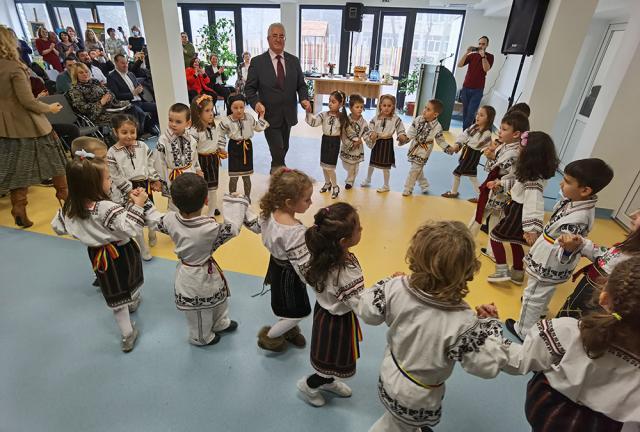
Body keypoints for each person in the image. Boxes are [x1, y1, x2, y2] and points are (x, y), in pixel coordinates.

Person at [349, 220, 511, 432]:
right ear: (467, 269)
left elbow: (368, 312)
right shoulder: (462, 320)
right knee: (394, 426)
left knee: (397, 421)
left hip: (392, 372)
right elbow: (486, 365)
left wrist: (389, 282)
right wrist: (490, 326)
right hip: (418, 396)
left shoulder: (397, 287)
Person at [501, 256, 640, 431]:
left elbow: (519, 360)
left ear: (604, 297)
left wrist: (488, 334)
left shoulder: (567, 332)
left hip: (549, 412)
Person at [504, 158, 614, 341]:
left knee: (532, 294)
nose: (561, 183)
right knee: (544, 291)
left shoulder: (579, 217)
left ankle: (523, 331)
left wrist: (568, 249)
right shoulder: (577, 201)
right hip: (549, 253)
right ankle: (540, 312)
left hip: (551, 258)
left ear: (585, 190)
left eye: (568, 181)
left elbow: (568, 245)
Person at [51, 154, 147, 353]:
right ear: (94, 184)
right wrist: (137, 205)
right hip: (122, 251)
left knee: (113, 289)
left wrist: (84, 233)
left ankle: (127, 334)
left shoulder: (70, 207)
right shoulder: (106, 207)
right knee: (130, 277)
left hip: (98, 256)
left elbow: (58, 227)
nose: (110, 181)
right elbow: (129, 228)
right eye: (107, 178)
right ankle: (132, 302)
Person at [143, 173, 250, 346]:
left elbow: (155, 218)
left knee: (215, 298)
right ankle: (200, 337)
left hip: (192, 270)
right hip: (196, 275)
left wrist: (145, 202)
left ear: (175, 202)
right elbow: (232, 229)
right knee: (200, 311)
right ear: (206, 200)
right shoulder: (209, 228)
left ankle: (220, 322)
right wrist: (234, 201)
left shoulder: (171, 219)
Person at [296, 202, 364, 407]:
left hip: (326, 314)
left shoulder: (320, 256)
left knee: (333, 358)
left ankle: (328, 380)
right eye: (359, 228)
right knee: (329, 357)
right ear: (344, 241)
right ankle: (309, 385)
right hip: (335, 322)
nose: (362, 229)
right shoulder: (343, 274)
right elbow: (362, 305)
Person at [0, 26, 68, 227]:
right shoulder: (14, 68)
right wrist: (50, 108)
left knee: (17, 169)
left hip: (5, 127)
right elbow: (27, 101)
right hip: (30, 124)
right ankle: (68, 203)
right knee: (57, 162)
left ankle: (18, 207)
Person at [243, 168, 314, 352]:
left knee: (285, 305)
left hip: (276, 267)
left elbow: (254, 225)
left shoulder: (270, 213)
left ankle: (289, 331)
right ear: (290, 202)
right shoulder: (295, 232)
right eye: (307, 199)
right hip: (290, 275)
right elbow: (304, 266)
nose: (311, 203)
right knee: (296, 311)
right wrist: (319, 282)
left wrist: (241, 208)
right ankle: (271, 336)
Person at [487, 132, 560, 285]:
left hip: (518, 212)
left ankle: (501, 271)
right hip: (516, 209)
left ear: (531, 154)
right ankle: (518, 272)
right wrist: (500, 184)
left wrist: (532, 228)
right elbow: (517, 186)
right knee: (514, 241)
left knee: (495, 237)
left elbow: (534, 204)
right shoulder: (531, 173)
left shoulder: (534, 180)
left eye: (521, 147)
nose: (518, 149)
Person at [245, 22, 311, 172]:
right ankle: (277, 176)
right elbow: (249, 88)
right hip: (269, 114)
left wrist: (304, 99)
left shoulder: (293, 61)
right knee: (278, 149)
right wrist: (256, 104)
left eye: (281, 36)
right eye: (274, 36)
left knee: (284, 147)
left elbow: (301, 85)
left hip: (288, 113)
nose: (278, 39)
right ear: (268, 39)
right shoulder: (257, 62)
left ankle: (277, 169)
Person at [556, 209, 640, 319]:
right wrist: (581, 244)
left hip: (597, 308)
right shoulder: (630, 246)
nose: (632, 214)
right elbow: (606, 257)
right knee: (567, 317)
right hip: (583, 295)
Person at [469, 112, 529, 259]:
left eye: (503, 129)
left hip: (499, 190)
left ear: (516, 134)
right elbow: (494, 167)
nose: (499, 132)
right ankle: (492, 251)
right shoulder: (506, 147)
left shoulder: (513, 152)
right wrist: (492, 156)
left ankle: (465, 241)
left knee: (480, 214)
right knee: (495, 219)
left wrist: (499, 181)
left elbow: (513, 175)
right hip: (498, 188)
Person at [106, 114, 161, 261]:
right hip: (126, 190)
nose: (129, 136)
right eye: (124, 132)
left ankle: (152, 231)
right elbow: (114, 174)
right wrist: (128, 189)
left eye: (132, 132)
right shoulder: (112, 152)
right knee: (134, 218)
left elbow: (150, 163)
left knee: (150, 212)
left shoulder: (142, 146)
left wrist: (154, 179)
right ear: (115, 132)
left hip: (143, 186)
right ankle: (143, 247)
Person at [217, 93, 269, 201]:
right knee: (233, 176)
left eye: (242, 107)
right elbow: (220, 134)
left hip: (247, 148)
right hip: (234, 148)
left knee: (247, 176)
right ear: (230, 107)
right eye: (235, 108)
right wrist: (221, 148)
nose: (239, 110)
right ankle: (232, 197)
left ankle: (247, 197)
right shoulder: (226, 121)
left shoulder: (249, 118)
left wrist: (262, 116)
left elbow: (258, 127)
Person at [67, 63, 147, 130]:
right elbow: (82, 108)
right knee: (124, 118)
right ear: (75, 75)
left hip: (111, 106)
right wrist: (101, 102)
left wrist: (109, 97)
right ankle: (126, 139)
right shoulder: (75, 89)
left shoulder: (95, 81)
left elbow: (110, 93)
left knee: (134, 109)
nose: (85, 74)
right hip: (96, 114)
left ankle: (136, 135)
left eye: (86, 71)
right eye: (81, 73)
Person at [154, 103, 203, 211]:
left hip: (190, 174)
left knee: (190, 200)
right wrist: (159, 180)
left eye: (178, 122)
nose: (173, 124)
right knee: (174, 204)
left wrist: (198, 169)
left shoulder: (192, 140)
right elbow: (159, 161)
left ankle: (189, 221)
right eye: (170, 120)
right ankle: (174, 224)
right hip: (173, 177)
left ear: (188, 123)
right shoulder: (163, 140)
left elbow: (194, 158)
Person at [442, 105, 495, 201]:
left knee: (457, 173)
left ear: (489, 119)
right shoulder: (474, 126)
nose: (478, 117)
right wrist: (458, 144)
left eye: (482, 115)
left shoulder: (487, 133)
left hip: (472, 156)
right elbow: (464, 135)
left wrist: (462, 144)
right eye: (477, 114)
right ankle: (480, 195)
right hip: (467, 153)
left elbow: (479, 145)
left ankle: (454, 192)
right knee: (472, 176)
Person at [401, 99, 452, 196]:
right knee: (416, 167)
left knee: (415, 169)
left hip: (424, 149)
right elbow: (412, 131)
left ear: (435, 114)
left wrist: (447, 147)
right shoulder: (418, 119)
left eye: (428, 109)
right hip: (414, 146)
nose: (424, 110)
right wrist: (405, 139)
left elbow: (440, 140)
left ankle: (408, 188)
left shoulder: (437, 127)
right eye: (425, 107)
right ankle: (424, 185)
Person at [360, 94, 409, 193]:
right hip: (377, 143)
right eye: (384, 105)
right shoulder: (376, 118)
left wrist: (401, 136)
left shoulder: (396, 119)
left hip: (387, 143)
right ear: (380, 106)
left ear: (393, 107)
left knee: (386, 167)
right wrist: (371, 133)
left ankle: (386, 185)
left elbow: (401, 129)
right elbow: (369, 128)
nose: (386, 108)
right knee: (372, 163)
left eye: (389, 106)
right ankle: (368, 179)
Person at [305, 90, 348, 199]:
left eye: (333, 102)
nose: (330, 103)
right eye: (329, 101)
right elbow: (313, 123)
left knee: (330, 167)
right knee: (324, 165)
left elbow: (345, 134)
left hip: (334, 142)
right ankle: (327, 183)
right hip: (325, 140)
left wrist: (346, 145)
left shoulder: (342, 117)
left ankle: (335, 186)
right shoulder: (324, 115)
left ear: (340, 104)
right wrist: (308, 112)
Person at [188, 94, 224, 217]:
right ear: (198, 113)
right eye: (207, 111)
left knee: (213, 188)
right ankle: (198, 210)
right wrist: (196, 168)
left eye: (212, 110)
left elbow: (216, 141)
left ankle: (211, 212)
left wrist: (220, 149)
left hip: (213, 159)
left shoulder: (213, 127)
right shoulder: (194, 131)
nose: (211, 113)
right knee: (201, 188)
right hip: (200, 161)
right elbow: (192, 151)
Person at [107, 54, 159, 133]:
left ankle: (149, 126)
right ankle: (138, 134)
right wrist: (132, 94)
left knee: (158, 107)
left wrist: (141, 89)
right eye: (123, 63)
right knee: (140, 112)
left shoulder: (130, 74)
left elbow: (138, 86)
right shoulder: (112, 77)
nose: (126, 65)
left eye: (126, 63)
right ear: (116, 63)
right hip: (128, 104)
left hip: (140, 101)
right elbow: (116, 95)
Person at [457, 36, 494, 130]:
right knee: (465, 112)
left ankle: (465, 133)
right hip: (466, 87)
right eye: (479, 44)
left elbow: (486, 69)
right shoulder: (472, 55)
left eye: (483, 44)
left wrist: (483, 56)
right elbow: (459, 65)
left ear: (487, 45)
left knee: (471, 113)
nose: (481, 46)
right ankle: (467, 132)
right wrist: (467, 53)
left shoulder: (490, 56)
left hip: (478, 89)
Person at [339, 94, 369, 190]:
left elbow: (366, 133)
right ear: (351, 108)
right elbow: (343, 134)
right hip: (347, 147)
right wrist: (350, 143)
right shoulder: (346, 121)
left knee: (354, 166)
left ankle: (350, 181)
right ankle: (351, 176)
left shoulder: (363, 122)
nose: (360, 109)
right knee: (347, 165)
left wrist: (364, 139)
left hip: (357, 149)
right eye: (357, 107)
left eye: (361, 107)